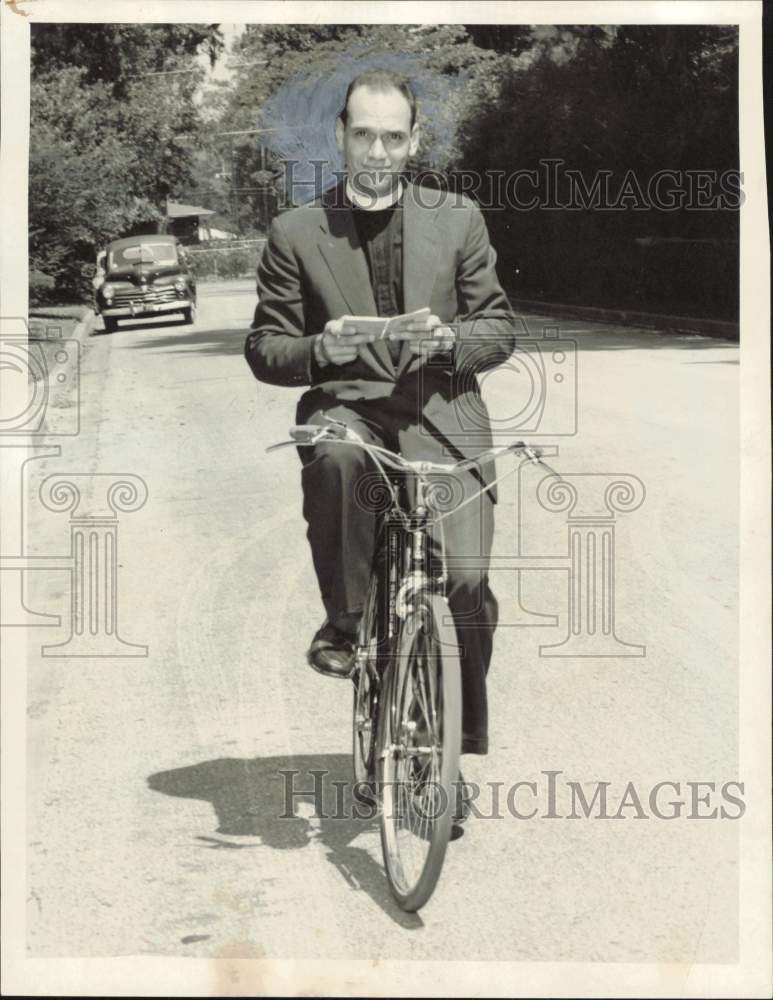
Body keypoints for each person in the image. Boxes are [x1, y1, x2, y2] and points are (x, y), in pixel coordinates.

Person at [245, 69, 516, 759]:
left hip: (441, 410)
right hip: (349, 406)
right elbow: (264, 348)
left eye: (392, 138)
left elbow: (498, 327)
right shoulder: (295, 231)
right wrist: (318, 347)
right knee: (334, 456)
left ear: (412, 141)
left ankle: (452, 742)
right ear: (340, 135)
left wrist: (453, 339)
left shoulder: (457, 217)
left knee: (464, 581)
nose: (376, 152)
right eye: (362, 135)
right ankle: (346, 622)